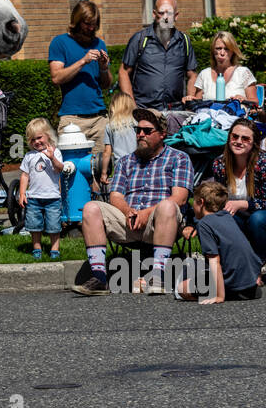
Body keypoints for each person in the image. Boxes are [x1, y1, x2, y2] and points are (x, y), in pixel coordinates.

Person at [72, 106, 194, 296]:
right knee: (91, 207)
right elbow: (116, 196)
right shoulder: (125, 162)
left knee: (168, 205)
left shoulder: (179, 158)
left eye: (147, 131)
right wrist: (128, 210)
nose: (140, 135)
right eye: (138, 130)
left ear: (162, 134)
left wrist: (146, 213)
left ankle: (158, 275)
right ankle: (99, 278)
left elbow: (180, 197)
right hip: (128, 221)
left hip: (160, 223)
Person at [211, 118, 266, 260]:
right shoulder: (220, 163)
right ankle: (229, 267)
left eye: (245, 138)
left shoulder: (265, 162)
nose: (239, 141)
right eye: (235, 136)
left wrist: (243, 204)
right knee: (221, 217)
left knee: (257, 218)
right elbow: (220, 197)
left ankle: (256, 266)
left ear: (254, 143)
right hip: (241, 215)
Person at [48, 0, 111, 182]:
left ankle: (99, 208)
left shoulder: (100, 43)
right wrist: (83, 61)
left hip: (99, 117)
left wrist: (104, 68)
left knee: (99, 172)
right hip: (72, 119)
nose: (91, 28)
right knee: (70, 171)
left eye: (94, 24)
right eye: (87, 24)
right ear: (76, 21)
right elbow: (56, 77)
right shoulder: (60, 42)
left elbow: (106, 84)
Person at [176, 181, 261, 303]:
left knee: (181, 288)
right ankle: (239, 290)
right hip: (251, 284)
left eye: (193, 202)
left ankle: (225, 293)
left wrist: (219, 296)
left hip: (232, 283)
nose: (192, 205)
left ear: (201, 202)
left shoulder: (204, 224)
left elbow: (215, 260)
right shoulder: (227, 217)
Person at [118, 0, 197, 109]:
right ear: (154, 14)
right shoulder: (140, 39)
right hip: (145, 110)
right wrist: (131, 105)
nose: (165, 17)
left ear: (176, 16)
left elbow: (192, 75)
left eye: (169, 13)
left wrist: (190, 99)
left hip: (175, 110)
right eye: (161, 13)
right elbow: (123, 72)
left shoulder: (184, 41)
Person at [19, 118, 66, 261]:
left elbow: (60, 169)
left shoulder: (55, 152)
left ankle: (54, 249)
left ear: (48, 136)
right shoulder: (29, 156)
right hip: (34, 197)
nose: (37, 142)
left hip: (52, 197)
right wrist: (22, 193)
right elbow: (25, 175)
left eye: (39, 137)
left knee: (54, 226)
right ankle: (37, 248)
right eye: (33, 139)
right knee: (34, 226)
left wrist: (52, 158)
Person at [187, 31, 258, 104]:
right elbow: (198, 103)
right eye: (218, 48)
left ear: (233, 51)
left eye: (226, 49)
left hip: (235, 114)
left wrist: (243, 100)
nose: (222, 53)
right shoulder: (204, 74)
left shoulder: (243, 73)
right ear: (213, 50)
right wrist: (190, 99)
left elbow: (255, 103)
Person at [99, 90, 137, 188]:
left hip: (119, 166)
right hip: (137, 163)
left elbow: (107, 152)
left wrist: (104, 173)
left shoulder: (110, 126)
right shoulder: (136, 123)